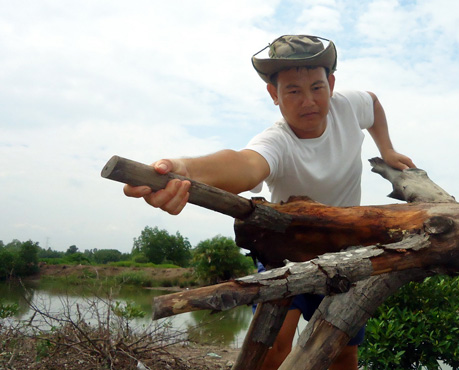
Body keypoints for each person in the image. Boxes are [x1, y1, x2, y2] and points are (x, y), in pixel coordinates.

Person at [123, 34, 415, 370]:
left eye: (317, 87)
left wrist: (387, 149)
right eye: (293, 90)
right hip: (284, 252)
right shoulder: (277, 141)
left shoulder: (348, 106)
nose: (309, 100)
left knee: (343, 352)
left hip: (344, 251)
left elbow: (374, 103)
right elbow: (244, 164)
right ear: (273, 94)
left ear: (331, 84)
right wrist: (185, 170)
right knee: (273, 348)